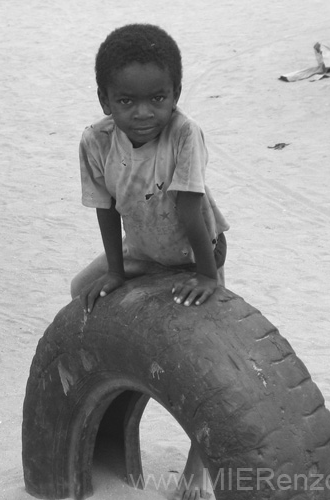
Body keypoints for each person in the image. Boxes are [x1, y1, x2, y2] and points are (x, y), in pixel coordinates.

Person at [71, 23, 229, 500]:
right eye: (126, 101)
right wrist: (116, 272)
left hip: (195, 252)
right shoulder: (95, 141)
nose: (144, 113)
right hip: (141, 249)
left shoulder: (184, 135)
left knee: (207, 360)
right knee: (82, 288)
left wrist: (206, 275)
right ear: (104, 100)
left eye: (158, 99)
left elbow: (189, 211)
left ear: (176, 95)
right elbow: (105, 207)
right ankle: (113, 406)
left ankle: (195, 474)